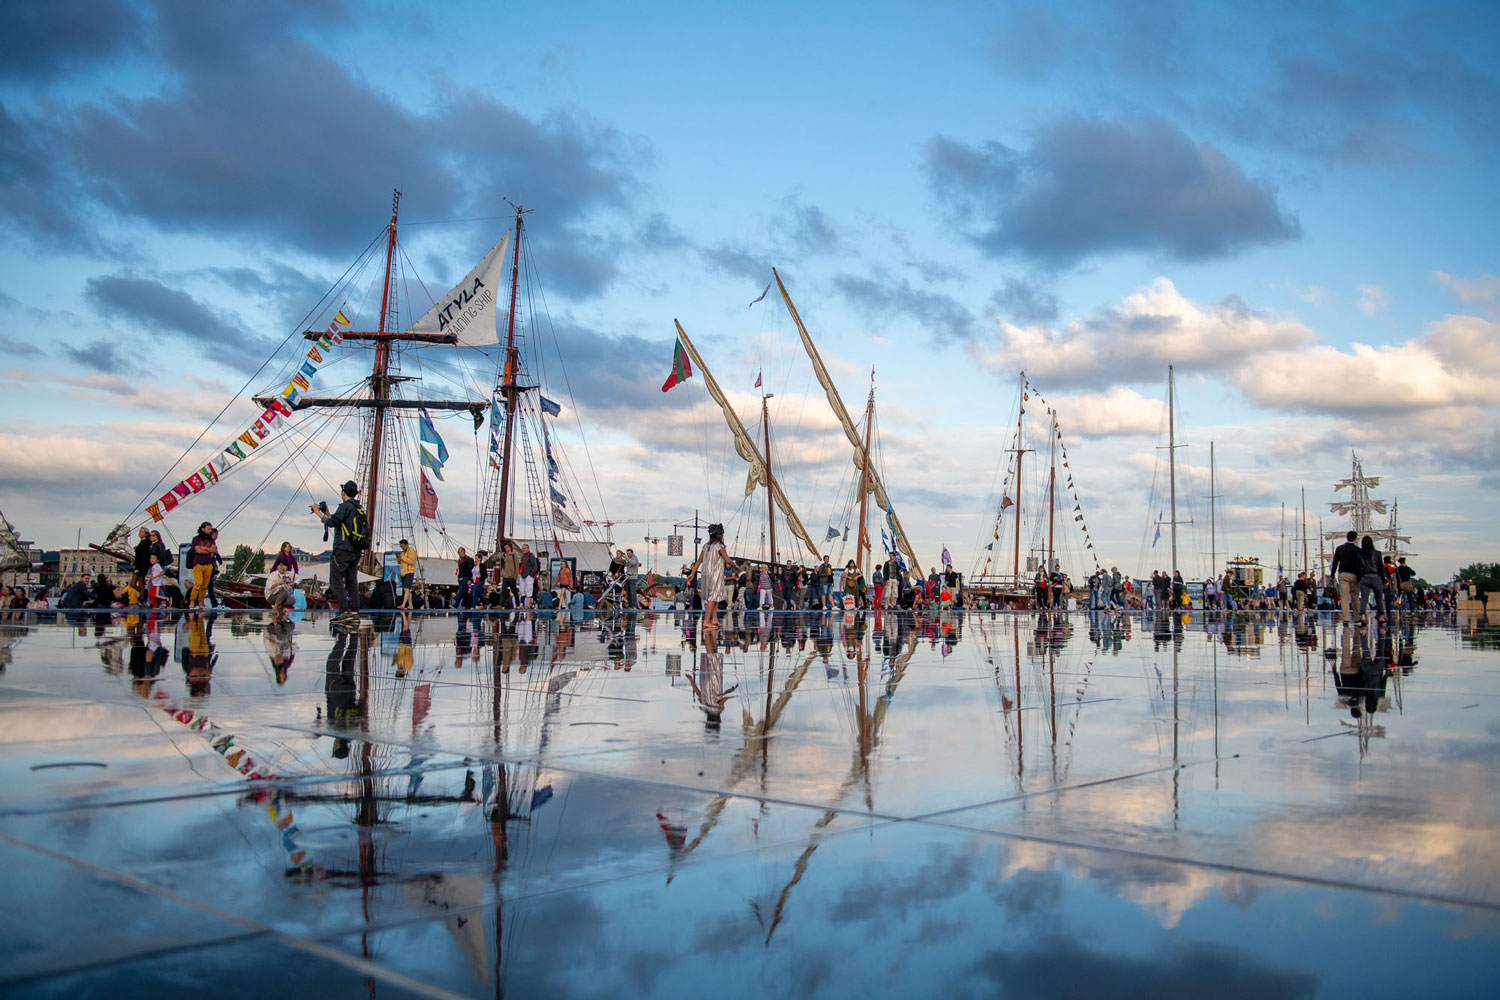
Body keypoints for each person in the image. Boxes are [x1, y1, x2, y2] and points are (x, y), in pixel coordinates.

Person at [314, 481, 363, 623]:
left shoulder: (345, 506)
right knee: (352, 581)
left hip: (342, 550)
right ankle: (354, 612)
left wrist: (318, 513)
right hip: (355, 550)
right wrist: (328, 513)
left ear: (344, 493)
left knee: (335, 580)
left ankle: (344, 610)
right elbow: (339, 523)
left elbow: (331, 523)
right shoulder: (358, 508)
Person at [686, 523, 737, 630]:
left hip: (705, 573)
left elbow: (699, 561)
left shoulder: (706, 546)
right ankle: (706, 621)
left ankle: (714, 619)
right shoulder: (719, 546)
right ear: (720, 535)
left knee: (715, 596)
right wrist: (736, 565)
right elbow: (727, 559)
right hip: (715, 573)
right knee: (713, 597)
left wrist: (693, 573)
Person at [1329, 530, 1363, 625]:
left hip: (1343, 574)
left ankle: (1346, 618)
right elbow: (1360, 564)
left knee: (1344, 597)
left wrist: (1332, 575)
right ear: (1355, 539)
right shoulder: (1358, 550)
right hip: (1355, 575)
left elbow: (1335, 562)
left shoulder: (1339, 548)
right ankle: (1357, 618)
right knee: (1355, 597)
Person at [1357, 535, 1387, 625]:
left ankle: (1362, 616)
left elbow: (1358, 568)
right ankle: (1381, 616)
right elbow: (1381, 567)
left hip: (1364, 577)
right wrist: (1384, 579)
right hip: (1375, 577)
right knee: (1378, 598)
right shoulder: (1377, 553)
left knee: (1364, 599)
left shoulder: (1359, 554)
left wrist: (1360, 578)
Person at [188, 521, 217, 609]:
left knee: (205, 586)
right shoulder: (196, 539)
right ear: (203, 529)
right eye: (208, 529)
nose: (210, 531)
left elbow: (214, 550)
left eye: (210, 529)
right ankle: (192, 601)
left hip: (208, 564)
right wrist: (208, 550)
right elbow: (198, 550)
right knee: (198, 583)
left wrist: (204, 548)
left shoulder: (211, 540)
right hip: (198, 564)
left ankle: (201, 603)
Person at [397, 538, 418, 610]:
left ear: (406, 545)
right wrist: (398, 557)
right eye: (401, 547)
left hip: (409, 572)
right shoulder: (403, 553)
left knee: (406, 589)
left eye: (403, 546)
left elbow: (411, 561)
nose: (402, 548)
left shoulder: (411, 551)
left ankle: (403, 604)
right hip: (403, 572)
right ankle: (410, 605)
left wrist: (402, 557)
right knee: (407, 590)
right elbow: (400, 562)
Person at [519, 543, 538, 608]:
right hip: (523, 575)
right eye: (522, 548)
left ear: (527, 548)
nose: (523, 549)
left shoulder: (531, 555)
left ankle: (528, 604)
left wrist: (531, 574)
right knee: (522, 589)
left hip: (528, 575)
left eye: (524, 548)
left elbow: (535, 566)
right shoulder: (522, 557)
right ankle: (522, 603)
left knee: (529, 589)